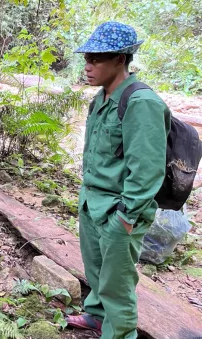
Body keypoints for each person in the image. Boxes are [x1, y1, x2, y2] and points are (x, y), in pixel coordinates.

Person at [65, 22, 171, 338]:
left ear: (120, 60)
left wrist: (125, 217)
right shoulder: (99, 100)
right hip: (92, 202)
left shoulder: (141, 103)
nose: (88, 65)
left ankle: (120, 333)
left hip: (119, 210)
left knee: (118, 286)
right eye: (87, 58)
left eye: (97, 59)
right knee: (97, 274)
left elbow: (148, 169)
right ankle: (97, 317)